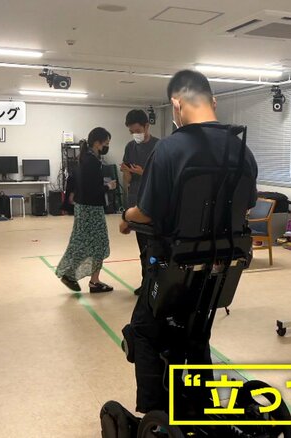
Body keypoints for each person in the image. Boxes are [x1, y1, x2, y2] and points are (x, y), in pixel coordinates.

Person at [119, 70, 258, 413]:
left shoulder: (168, 149)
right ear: (214, 102)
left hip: (174, 267)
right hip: (219, 271)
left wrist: (125, 216)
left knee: (142, 332)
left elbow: (147, 213)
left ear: (176, 104)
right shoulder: (243, 151)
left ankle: (154, 416)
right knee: (196, 330)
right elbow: (246, 206)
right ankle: (199, 401)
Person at [55, 127, 116, 293]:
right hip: (92, 209)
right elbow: (92, 189)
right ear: (97, 143)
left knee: (82, 242)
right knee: (98, 244)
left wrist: (70, 199)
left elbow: (73, 180)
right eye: (106, 143)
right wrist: (108, 187)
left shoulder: (84, 159)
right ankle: (86, 279)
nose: (107, 146)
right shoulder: (92, 162)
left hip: (82, 207)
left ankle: (84, 278)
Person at [120, 110, 159, 295]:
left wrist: (143, 172)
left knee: (155, 249)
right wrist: (126, 172)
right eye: (131, 132)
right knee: (143, 248)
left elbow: (162, 177)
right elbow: (127, 181)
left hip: (153, 205)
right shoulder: (130, 147)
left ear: (146, 126)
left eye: (137, 130)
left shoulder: (159, 146)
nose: (135, 134)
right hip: (136, 202)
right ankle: (146, 283)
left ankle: (155, 285)